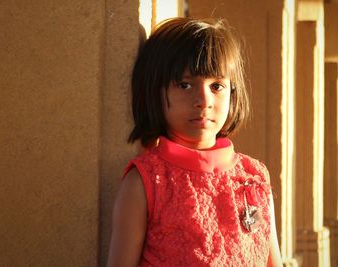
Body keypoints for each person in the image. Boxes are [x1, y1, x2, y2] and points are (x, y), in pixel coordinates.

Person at [107, 17, 283, 267]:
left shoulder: (254, 176)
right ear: (154, 91)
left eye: (217, 86)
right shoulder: (146, 183)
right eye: (185, 84)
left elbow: (272, 261)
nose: (204, 100)